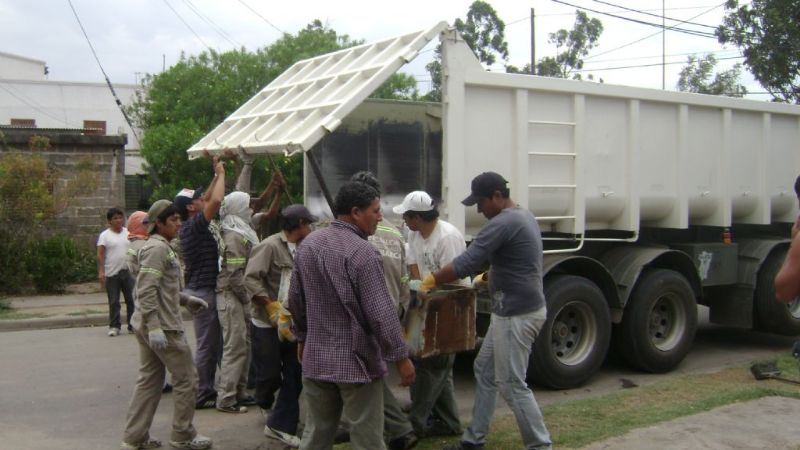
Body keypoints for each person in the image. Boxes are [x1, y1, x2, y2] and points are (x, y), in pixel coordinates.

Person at [421, 172, 551, 450]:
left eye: (481, 202)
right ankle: (473, 441)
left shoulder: (504, 222)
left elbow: (467, 261)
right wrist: (488, 279)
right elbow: (519, 262)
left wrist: (432, 280)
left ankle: (541, 446)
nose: (479, 209)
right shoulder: (523, 216)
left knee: (512, 384)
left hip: (517, 314)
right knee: (485, 369)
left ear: (497, 196)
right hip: (512, 311)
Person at [288, 181, 416, 450]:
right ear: (356, 212)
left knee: (316, 434)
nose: (380, 217)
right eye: (376, 211)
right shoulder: (363, 252)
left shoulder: (308, 245)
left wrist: (302, 338)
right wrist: (401, 358)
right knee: (367, 437)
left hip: (317, 359)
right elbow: (381, 313)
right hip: (356, 362)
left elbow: (296, 302)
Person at [120, 200, 213, 450]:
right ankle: (182, 435)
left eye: (179, 219)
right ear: (158, 224)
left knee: (149, 381)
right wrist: (154, 326)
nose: (179, 224)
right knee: (188, 379)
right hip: (162, 326)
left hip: (151, 323)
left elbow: (161, 287)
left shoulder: (162, 247)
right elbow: (146, 289)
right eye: (173, 220)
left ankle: (134, 437)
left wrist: (186, 300)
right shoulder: (157, 249)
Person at [350, 171, 417, 450]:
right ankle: (398, 430)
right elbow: (404, 282)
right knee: (370, 377)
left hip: (365, 318)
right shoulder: (394, 233)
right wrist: (399, 314)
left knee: (368, 380)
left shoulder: (357, 234)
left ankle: (398, 430)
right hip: (389, 313)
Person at [393, 190, 466, 439]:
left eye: (406, 216)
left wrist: (429, 286)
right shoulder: (414, 234)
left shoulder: (447, 237)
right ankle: (450, 422)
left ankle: (415, 424)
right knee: (435, 364)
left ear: (417, 217)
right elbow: (413, 264)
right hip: (425, 302)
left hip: (450, 304)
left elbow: (453, 275)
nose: (404, 221)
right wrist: (418, 285)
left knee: (434, 365)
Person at [244, 204, 317, 448]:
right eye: (308, 223)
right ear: (297, 226)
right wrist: (271, 307)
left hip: (294, 322)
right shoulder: (270, 247)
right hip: (266, 322)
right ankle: (264, 400)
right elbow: (251, 279)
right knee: (270, 374)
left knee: (295, 373)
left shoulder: (308, 246)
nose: (311, 228)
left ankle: (281, 423)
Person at [176, 155, 226, 410]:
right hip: (203, 292)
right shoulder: (195, 226)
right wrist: (222, 174)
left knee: (212, 342)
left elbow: (208, 197)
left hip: (198, 290)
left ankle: (210, 386)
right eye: (197, 199)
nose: (202, 198)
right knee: (207, 344)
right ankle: (202, 391)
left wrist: (216, 173)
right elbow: (215, 200)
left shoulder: (188, 223)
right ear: (191, 208)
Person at [215, 191, 259, 414]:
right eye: (248, 205)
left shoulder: (243, 231)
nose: (251, 209)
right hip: (231, 295)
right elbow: (234, 274)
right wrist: (247, 299)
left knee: (246, 345)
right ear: (239, 208)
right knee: (235, 347)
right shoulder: (234, 235)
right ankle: (226, 398)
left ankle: (240, 392)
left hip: (238, 294)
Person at [97, 207, 136, 336]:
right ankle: (114, 326)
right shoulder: (105, 236)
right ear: (109, 221)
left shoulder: (129, 233)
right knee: (114, 301)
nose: (119, 220)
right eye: (115, 218)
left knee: (131, 300)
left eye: (120, 217)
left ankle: (132, 325)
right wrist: (101, 271)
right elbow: (100, 255)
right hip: (112, 273)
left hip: (128, 271)